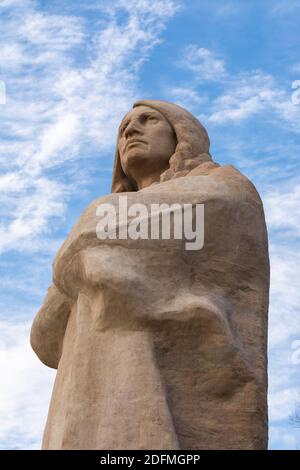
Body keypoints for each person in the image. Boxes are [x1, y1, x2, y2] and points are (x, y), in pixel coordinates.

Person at [31, 100, 270, 450]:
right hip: (85, 391)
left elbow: (214, 211)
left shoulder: (225, 186)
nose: (130, 130)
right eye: (124, 127)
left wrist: (93, 239)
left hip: (171, 388)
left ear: (182, 135)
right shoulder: (100, 222)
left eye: (148, 120)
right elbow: (44, 338)